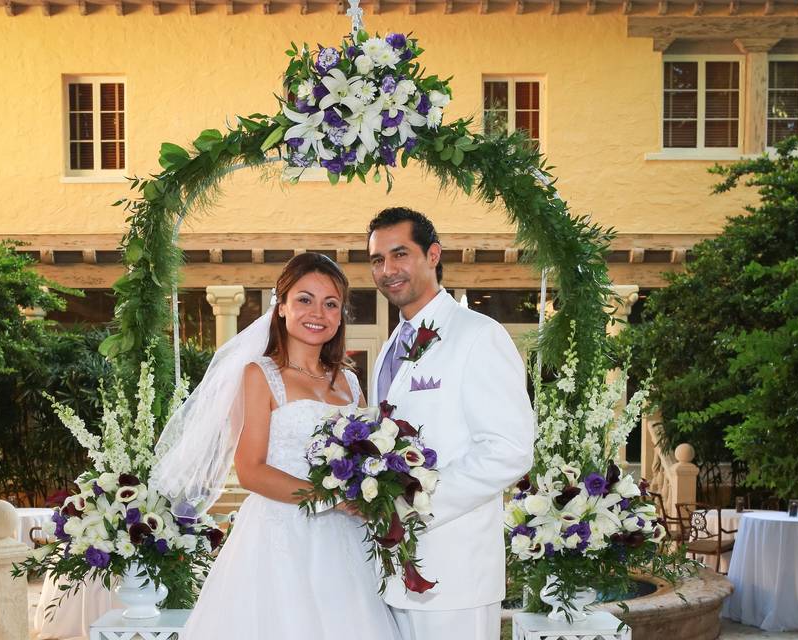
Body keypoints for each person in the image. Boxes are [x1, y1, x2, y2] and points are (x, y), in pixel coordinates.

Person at [152, 252, 401, 640]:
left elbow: (363, 456)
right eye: (304, 299)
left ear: (339, 316)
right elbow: (250, 469)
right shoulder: (260, 374)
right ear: (281, 306)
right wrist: (328, 497)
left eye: (330, 303)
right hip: (278, 537)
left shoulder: (349, 382)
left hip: (345, 540)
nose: (317, 312)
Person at [367, 207, 535, 640]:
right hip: (393, 574)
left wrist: (410, 507)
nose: (388, 270)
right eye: (377, 260)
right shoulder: (389, 347)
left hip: (456, 573)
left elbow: (509, 449)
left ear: (434, 254)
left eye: (400, 254)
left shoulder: (479, 335)